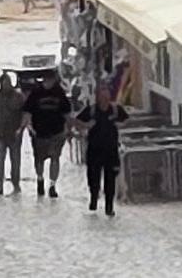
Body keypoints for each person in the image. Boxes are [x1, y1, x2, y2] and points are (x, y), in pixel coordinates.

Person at [25, 66, 72, 195]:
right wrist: (29, 127)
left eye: (51, 80)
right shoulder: (36, 93)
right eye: (47, 79)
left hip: (56, 132)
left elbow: (66, 112)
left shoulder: (59, 92)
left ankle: (52, 185)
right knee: (39, 159)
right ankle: (40, 179)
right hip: (39, 132)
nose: (49, 82)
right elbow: (28, 111)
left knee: (55, 158)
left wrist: (68, 129)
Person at [82, 75, 124, 217]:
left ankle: (109, 206)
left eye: (106, 90)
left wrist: (120, 125)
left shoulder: (116, 110)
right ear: (97, 95)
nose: (104, 94)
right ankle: (94, 197)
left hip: (111, 150)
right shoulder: (91, 110)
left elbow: (127, 120)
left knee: (110, 179)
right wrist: (86, 126)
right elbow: (75, 120)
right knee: (93, 178)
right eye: (101, 91)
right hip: (94, 150)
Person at [0, 69, 27, 194]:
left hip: (15, 132)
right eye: (4, 83)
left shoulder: (19, 96)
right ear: (0, 84)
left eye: (9, 83)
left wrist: (21, 129)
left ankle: (16, 185)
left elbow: (25, 113)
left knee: (15, 160)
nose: (7, 86)